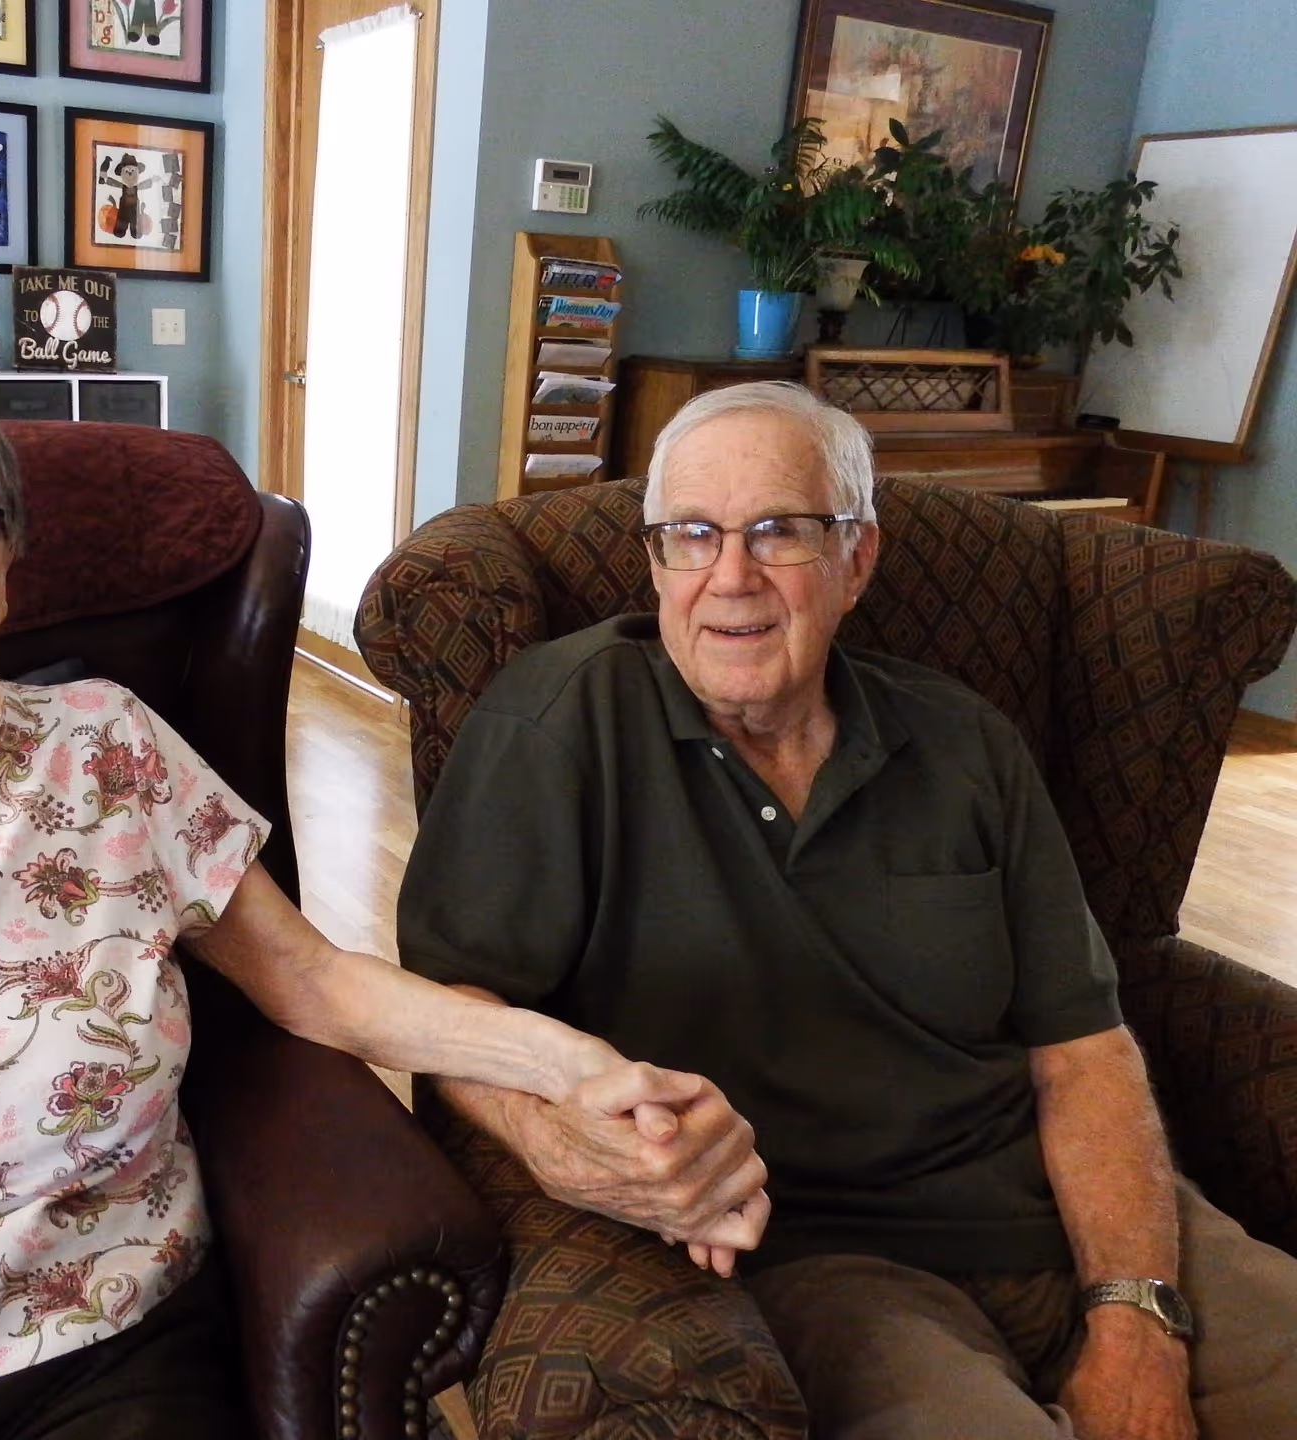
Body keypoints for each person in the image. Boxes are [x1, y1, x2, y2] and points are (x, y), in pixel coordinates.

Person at [0, 353, 669, 1440]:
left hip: (108, 1351)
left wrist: (572, 1065)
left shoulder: (108, 748)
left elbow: (315, 982)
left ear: (5, 569)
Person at [396, 381, 1297, 1439]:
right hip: (826, 1261)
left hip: (1076, 1216)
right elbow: (450, 1008)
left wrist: (1134, 1315)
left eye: (780, 530)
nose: (731, 575)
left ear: (856, 559)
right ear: (656, 562)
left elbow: (1084, 1049)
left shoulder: (965, 742)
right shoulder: (562, 721)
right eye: (692, 535)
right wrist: (551, 1136)